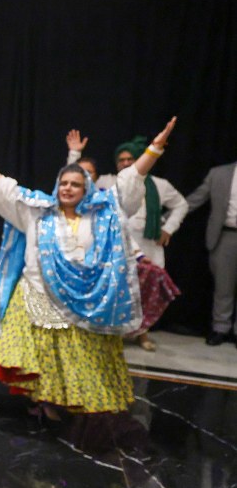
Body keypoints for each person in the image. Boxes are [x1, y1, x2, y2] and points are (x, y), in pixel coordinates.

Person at [0, 117, 176, 417]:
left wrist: (155, 149)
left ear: (87, 190)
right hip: (38, 294)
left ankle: (67, 399)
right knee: (41, 356)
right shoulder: (38, 212)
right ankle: (44, 400)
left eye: (75, 184)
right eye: (63, 183)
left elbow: (129, 181)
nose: (68, 188)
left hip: (86, 299)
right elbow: (7, 189)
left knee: (75, 357)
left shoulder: (101, 215)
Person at [66, 129, 187, 351]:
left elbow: (181, 204)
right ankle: (108, 336)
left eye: (130, 159)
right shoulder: (109, 183)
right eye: (121, 159)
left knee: (142, 294)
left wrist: (168, 228)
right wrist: (74, 155)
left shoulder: (160, 185)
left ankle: (141, 335)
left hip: (148, 247)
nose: (125, 163)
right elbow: (75, 179)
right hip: (112, 251)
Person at [186, 160, 237, 347]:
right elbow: (196, 199)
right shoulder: (218, 173)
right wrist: (166, 218)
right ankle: (220, 328)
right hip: (225, 235)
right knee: (224, 286)